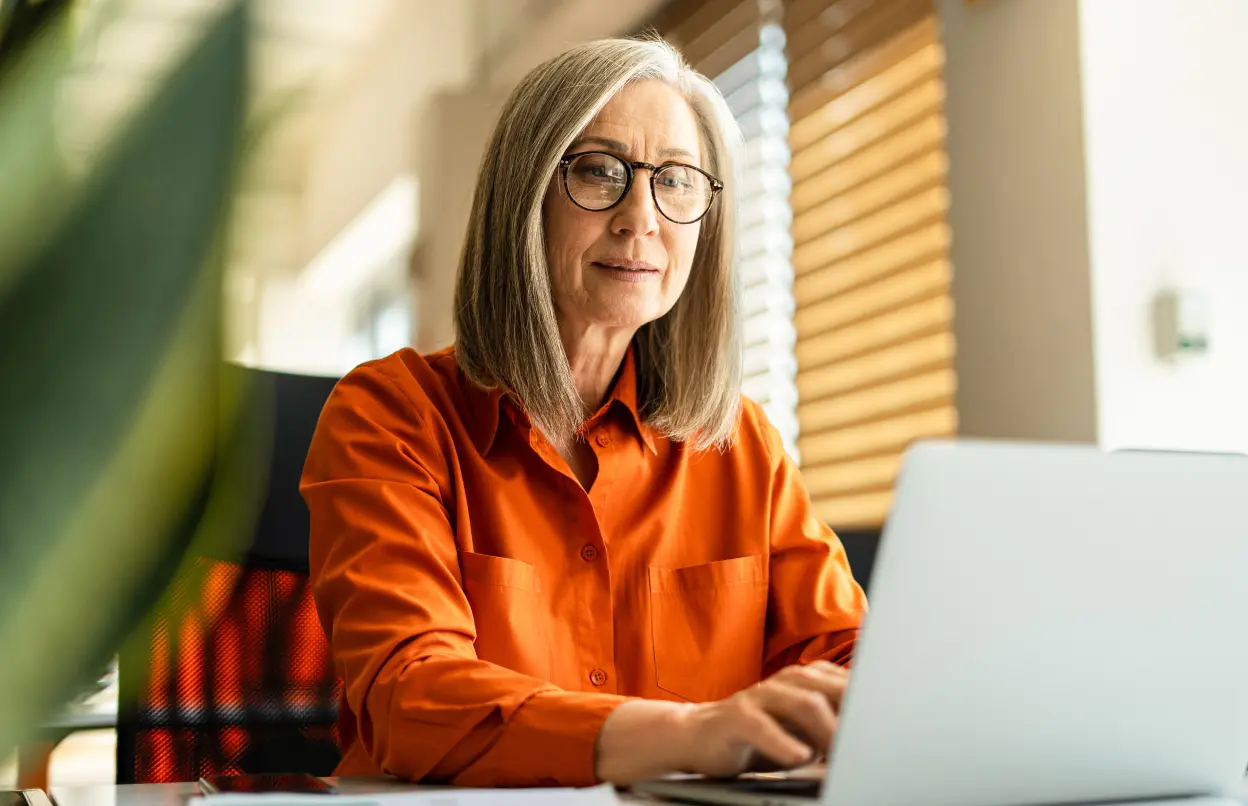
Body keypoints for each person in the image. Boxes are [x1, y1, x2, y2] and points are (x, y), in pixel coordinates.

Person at [300, 36, 867, 788]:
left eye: (676, 180)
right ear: (523, 196)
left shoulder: (742, 447)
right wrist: (689, 733)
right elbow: (412, 697)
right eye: (599, 171)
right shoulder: (390, 416)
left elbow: (848, 663)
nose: (643, 218)